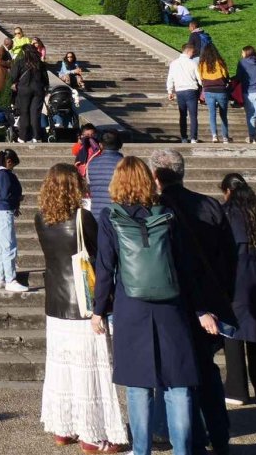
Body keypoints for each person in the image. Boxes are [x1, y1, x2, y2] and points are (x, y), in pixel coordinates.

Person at [92, 156, 218, 455]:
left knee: (138, 388)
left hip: (131, 304)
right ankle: (182, 450)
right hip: (170, 305)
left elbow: (105, 267)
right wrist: (200, 309)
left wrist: (98, 310)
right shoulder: (168, 213)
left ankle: (142, 450)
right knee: (179, 386)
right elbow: (185, 267)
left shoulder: (111, 216)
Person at [34, 163, 129, 452]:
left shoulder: (41, 218)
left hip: (56, 302)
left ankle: (64, 427)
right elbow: (99, 258)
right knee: (91, 369)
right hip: (83, 302)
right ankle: (94, 434)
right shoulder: (82, 217)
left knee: (63, 367)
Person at [152, 149, 235, 455]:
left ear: (156, 176)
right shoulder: (210, 205)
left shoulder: (158, 209)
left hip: (176, 302)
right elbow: (229, 257)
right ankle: (220, 434)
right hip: (211, 300)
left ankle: (193, 440)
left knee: (181, 378)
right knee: (207, 370)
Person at [219, 173, 256, 407]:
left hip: (234, 276)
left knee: (233, 332)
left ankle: (237, 390)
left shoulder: (225, 213)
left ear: (227, 191)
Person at [0, 150, 28, 292]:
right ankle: (10, 279)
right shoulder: (4, 174)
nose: (13, 168)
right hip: (4, 210)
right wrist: (17, 199)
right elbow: (5, 194)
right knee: (9, 245)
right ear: (9, 161)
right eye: (13, 165)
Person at [10, 45, 49, 143]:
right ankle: (36, 136)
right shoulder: (40, 63)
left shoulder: (20, 62)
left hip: (24, 89)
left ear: (24, 52)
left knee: (24, 112)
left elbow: (14, 76)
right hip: (38, 89)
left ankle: (23, 136)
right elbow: (45, 79)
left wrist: (15, 83)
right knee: (35, 113)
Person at [165, 43, 201, 144]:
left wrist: (170, 91)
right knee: (193, 115)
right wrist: (203, 88)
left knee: (182, 115)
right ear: (189, 51)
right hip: (191, 90)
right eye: (193, 52)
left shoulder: (174, 63)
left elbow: (170, 78)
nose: (193, 54)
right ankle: (194, 138)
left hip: (180, 91)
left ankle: (184, 137)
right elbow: (199, 78)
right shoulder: (193, 63)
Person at [86, 129, 124, 220]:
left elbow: (88, 187)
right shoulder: (124, 164)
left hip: (96, 214)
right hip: (119, 215)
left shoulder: (91, 163)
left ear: (100, 145)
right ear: (120, 145)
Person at [197, 45, 231, 143]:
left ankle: (214, 136)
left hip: (208, 90)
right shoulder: (219, 62)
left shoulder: (202, 64)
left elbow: (201, 77)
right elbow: (225, 75)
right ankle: (225, 137)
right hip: (221, 90)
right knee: (223, 114)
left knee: (212, 114)